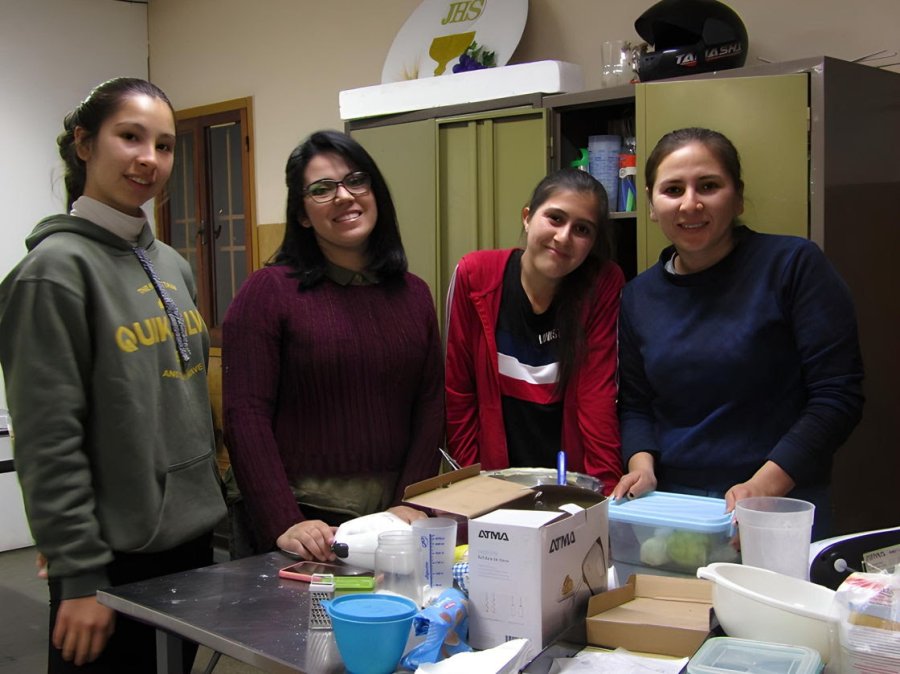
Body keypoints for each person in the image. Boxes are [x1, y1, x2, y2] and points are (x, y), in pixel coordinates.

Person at [0, 77, 226, 673]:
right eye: (130, 137)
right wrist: (78, 578)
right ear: (84, 143)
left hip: (189, 542)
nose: (149, 159)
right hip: (112, 559)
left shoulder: (172, 263)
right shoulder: (52, 274)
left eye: (165, 145)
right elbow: (49, 443)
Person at [611, 127, 864, 539]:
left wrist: (762, 490)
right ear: (653, 206)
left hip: (779, 502)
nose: (690, 203)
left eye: (708, 186)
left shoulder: (793, 266)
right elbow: (637, 406)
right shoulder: (638, 297)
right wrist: (642, 468)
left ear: (738, 196)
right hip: (678, 510)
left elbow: (837, 396)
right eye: (672, 189)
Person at [222, 130, 443, 562]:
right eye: (322, 190)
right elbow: (244, 414)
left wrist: (410, 501)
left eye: (356, 181)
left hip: (390, 520)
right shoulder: (267, 292)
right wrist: (284, 520)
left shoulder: (414, 294)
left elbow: (430, 403)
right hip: (304, 523)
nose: (344, 196)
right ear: (302, 214)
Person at [445, 168, 625, 494]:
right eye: (555, 218)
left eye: (582, 229)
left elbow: (597, 397)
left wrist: (605, 495)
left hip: (570, 480)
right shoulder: (476, 275)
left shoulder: (602, 285)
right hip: (493, 481)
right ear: (528, 217)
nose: (564, 237)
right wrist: (471, 488)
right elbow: (459, 394)